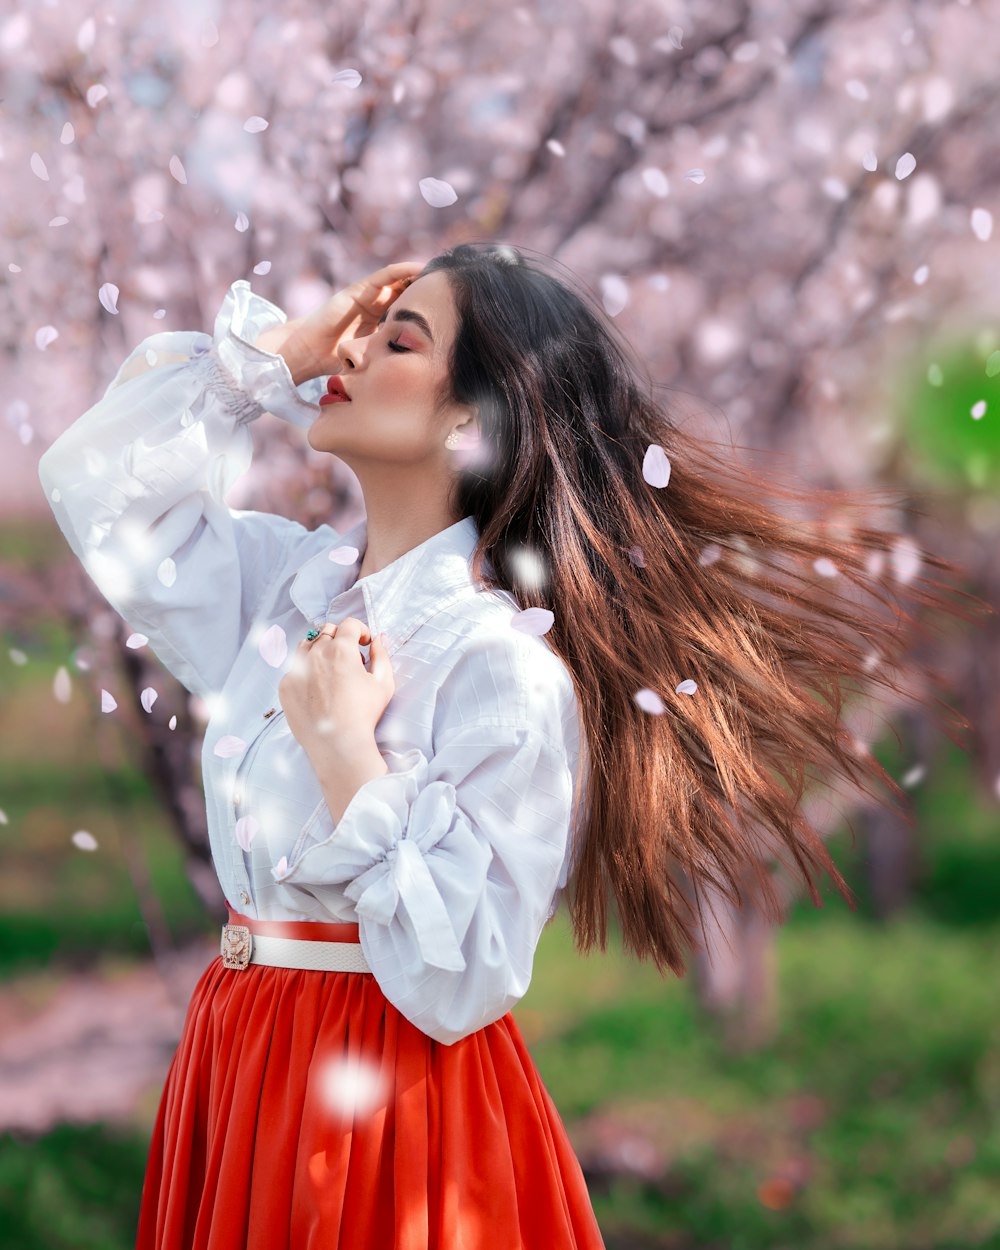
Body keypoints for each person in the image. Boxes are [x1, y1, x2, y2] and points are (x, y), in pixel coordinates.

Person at [37, 242, 983, 1250]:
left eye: (399, 337)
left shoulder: (500, 666)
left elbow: (466, 975)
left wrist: (348, 756)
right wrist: (261, 359)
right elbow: (104, 495)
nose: (349, 346)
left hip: (381, 1100)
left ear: (471, 421)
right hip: (239, 1051)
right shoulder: (289, 587)